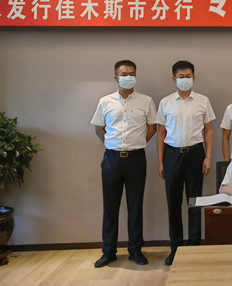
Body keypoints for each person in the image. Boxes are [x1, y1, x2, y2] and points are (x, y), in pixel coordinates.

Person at [91, 59, 157, 268]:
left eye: (131, 74)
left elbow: (152, 127)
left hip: (136, 159)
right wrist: (112, 145)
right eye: (124, 74)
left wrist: (138, 143)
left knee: (135, 206)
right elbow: (99, 128)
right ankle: (108, 251)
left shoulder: (146, 101)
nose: (128, 77)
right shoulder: (105, 101)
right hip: (112, 159)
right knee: (110, 207)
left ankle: (135, 250)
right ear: (116, 77)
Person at [156, 60, 215, 266]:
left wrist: (208, 157)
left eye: (188, 76)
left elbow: (208, 130)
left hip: (195, 154)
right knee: (173, 203)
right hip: (172, 155)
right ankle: (175, 248)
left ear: (194, 77)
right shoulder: (165, 102)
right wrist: (161, 161)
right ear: (174, 79)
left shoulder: (203, 101)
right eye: (181, 77)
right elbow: (161, 133)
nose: (185, 80)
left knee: (194, 202)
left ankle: (194, 246)